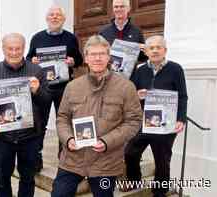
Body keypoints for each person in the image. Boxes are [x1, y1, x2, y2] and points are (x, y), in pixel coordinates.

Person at [51, 35, 142, 197]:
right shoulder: (72, 87)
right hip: (73, 160)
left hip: (106, 161)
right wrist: (68, 139)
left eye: (101, 54)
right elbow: (62, 118)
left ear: (109, 57)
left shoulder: (126, 87)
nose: (97, 58)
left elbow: (133, 122)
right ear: (86, 58)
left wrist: (107, 142)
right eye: (92, 54)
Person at [0, 33, 50, 197]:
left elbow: (47, 102)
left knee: (28, 178)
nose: (14, 52)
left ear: (23, 49)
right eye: (10, 49)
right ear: (3, 49)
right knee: (2, 179)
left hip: (30, 136)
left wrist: (37, 90)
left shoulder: (37, 71)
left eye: (18, 48)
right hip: (3, 137)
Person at [123, 35, 188, 197]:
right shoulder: (140, 70)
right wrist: (138, 94)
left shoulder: (175, 69)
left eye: (158, 47)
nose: (155, 50)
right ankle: (134, 180)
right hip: (144, 121)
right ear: (146, 52)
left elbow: (182, 96)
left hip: (167, 122)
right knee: (130, 152)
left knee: (162, 159)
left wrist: (181, 118)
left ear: (165, 50)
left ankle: (160, 191)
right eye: (151, 48)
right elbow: (132, 94)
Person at [26, 5, 84, 169]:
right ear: (47, 18)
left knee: (64, 122)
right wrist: (33, 61)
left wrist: (73, 62)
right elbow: (29, 58)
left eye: (58, 15)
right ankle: (36, 158)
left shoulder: (70, 38)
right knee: (40, 122)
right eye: (51, 15)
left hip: (64, 87)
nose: (54, 17)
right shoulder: (37, 38)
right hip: (43, 87)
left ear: (63, 19)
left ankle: (63, 156)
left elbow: (79, 60)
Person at [99, 0, 147, 69]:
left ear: (128, 8)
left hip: (130, 77)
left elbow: (143, 58)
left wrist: (144, 48)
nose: (119, 9)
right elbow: (99, 54)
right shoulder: (104, 32)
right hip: (109, 76)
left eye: (122, 6)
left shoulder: (137, 32)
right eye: (116, 7)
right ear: (113, 9)